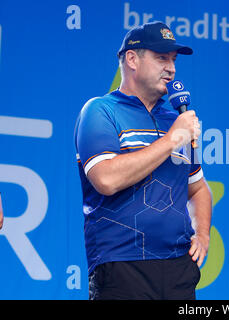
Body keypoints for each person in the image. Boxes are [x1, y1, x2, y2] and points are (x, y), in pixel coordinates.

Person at [74, 21, 212, 300]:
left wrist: (203, 234)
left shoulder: (176, 120)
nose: (171, 68)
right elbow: (106, 179)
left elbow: (198, 188)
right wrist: (172, 140)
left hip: (178, 269)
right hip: (122, 264)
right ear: (132, 59)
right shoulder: (100, 110)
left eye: (173, 60)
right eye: (162, 58)